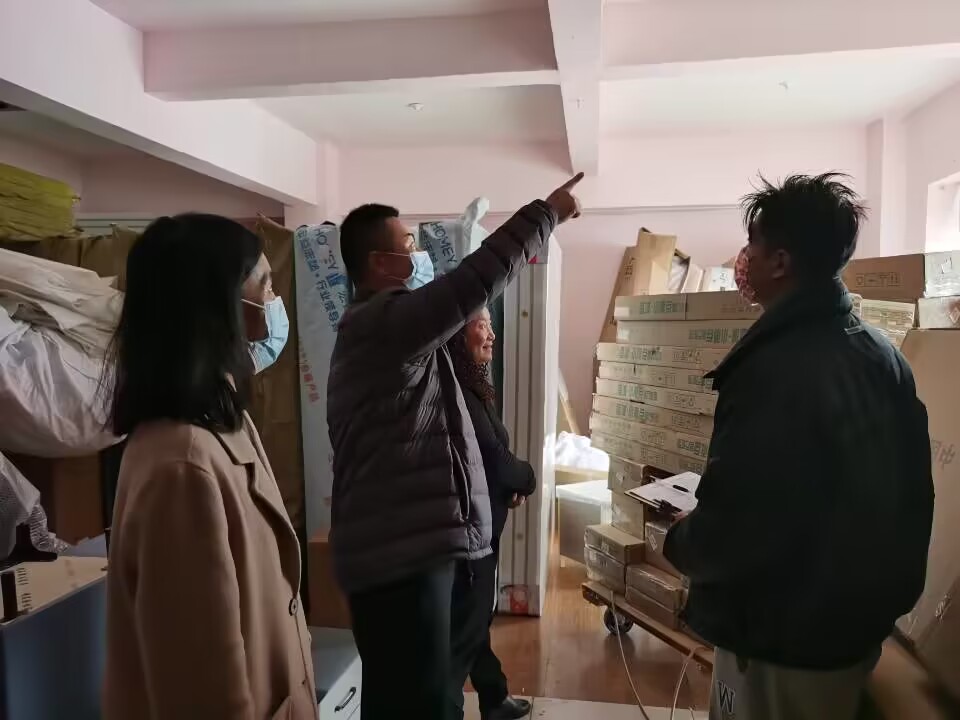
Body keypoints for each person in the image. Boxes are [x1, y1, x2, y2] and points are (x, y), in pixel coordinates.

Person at [663, 174, 934, 720]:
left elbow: (743, 520)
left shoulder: (773, 369)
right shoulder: (882, 356)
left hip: (779, 637)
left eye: (753, 246)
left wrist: (682, 541)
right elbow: (913, 497)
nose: (744, 259)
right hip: (851, 631)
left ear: (781, 262)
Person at [327, 175, 583, 720]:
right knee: (418, 701)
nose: (416, 254)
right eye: (407, 245)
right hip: (402, 558)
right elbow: (475, 279)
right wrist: (547, 214)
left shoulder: (386, 334)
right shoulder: (383, 323)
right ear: (379, 263)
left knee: (405, 698)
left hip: (404, 551)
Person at [102, 214, 317, 720]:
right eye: (264, 286)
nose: (273, 301)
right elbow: (201, 689)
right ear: (218, 306)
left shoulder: (220, 420)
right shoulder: (182, 466)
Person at [449, 307, 536, 720]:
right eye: (482, 324)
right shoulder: (459, 391)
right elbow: (497, 461)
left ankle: (494, 696)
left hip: (482, 528)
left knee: (474, 619)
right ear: (457, 334)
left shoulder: (473, 386)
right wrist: (527, 479)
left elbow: (489, 462)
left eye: (490, 324)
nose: (492, 334)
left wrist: (508, 490)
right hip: (469, 536)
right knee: (464, 633)